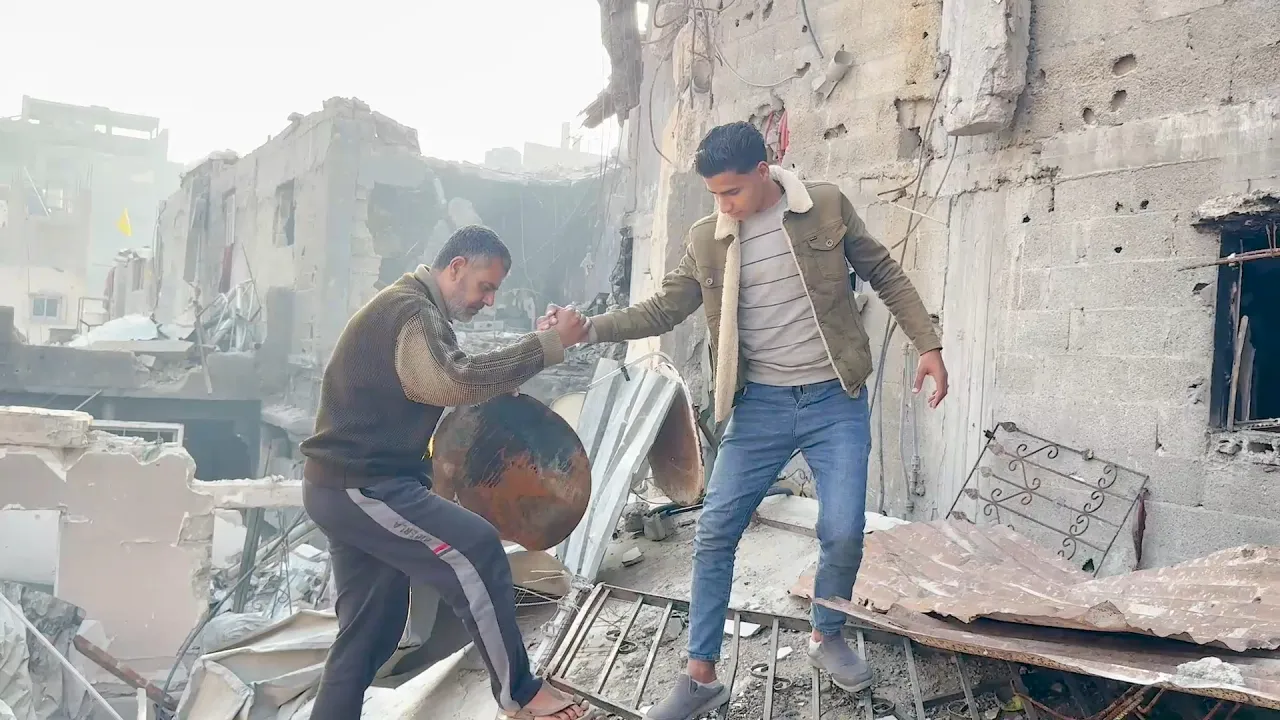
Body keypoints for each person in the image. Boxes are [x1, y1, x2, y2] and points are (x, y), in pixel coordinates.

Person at [540, 122, 949, 720]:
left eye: (730, 191)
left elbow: (883, 272)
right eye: (713, 194)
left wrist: (929, 344)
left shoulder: (825, 206)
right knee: (715, 530)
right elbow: (664, 308)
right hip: (759, 407)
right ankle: (701, 674)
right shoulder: (710, 237)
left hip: (836, 400)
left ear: (765, 170)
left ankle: (825, 634)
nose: (721, 204)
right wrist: (591, 329)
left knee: (841, 530)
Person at [299, 225, 590, 720]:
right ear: (456, 267)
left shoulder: (417, 311)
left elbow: (448, 379)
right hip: (362, 485)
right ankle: (520, 695)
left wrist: (513, 372)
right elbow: (452, 379)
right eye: (485, 286)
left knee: (371, 632)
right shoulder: (409, 312)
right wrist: (545, 346)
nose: (489, 300)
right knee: (477, 550)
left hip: (348, 486)